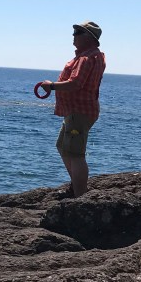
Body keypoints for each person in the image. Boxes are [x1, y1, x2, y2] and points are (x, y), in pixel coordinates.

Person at [38, 21, 106, 198]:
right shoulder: (94, 56)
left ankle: (80, 194)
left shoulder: (85, 58)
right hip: (78, 111)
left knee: (75, 153)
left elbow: (75, 84)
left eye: (78, 32)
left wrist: (51, 86)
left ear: (88, 37)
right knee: (63, 146)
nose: (73, 35)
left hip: (79, 111)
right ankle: (76, 187)